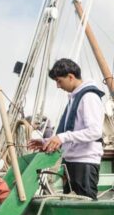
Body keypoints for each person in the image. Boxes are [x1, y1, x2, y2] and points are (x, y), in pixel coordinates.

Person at [29, 58, 105, 199]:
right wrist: (47, 141)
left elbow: (94, 131)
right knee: (73, 204)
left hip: (84, 161)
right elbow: (71, 130)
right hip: (71, 162)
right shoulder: (75, 98)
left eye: (59, 81)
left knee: (83, 207)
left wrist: (62, 137)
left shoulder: (89, 97)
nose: (58, 86)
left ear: (70, 77)